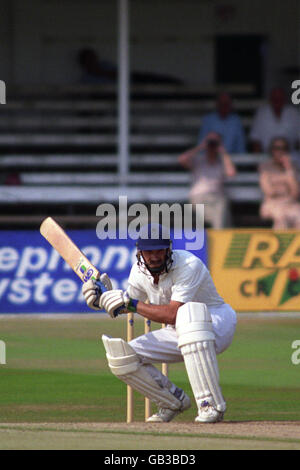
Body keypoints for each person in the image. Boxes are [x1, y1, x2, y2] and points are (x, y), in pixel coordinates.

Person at [82, 223, 237, 423]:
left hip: (216, 322)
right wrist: (103, 300)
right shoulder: (138, 273)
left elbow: (172, 314)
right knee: (123, 356)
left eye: (158, 251)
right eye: (148, 252)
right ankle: (172, 401)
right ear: (140, 252)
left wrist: (131, 304)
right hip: (179, 331)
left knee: (188, 314)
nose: (154, 256)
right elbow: (127, 304)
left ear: (168, 249)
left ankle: (210, 405)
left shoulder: (189, 265)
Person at [178, 132, 236, 228]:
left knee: (222, 211)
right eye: (210, 142)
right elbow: (182, 159)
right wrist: (201, 147)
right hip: (199, 197)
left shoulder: (222, 162)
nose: (212, 145)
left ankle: (220, 236)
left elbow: (231, 173)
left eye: (215, 142)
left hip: (218, 198)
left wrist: (223, 152)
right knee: (219, 215)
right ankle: (220, 237)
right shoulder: (198, 160)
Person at [259, 137, 300, 228]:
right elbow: (270, 192)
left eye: (284, 148)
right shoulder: (265, 167)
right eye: (277, 148)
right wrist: (286, 181)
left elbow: (295, 193)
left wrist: (289, 170)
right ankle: (280, 242)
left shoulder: (292, 167)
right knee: (281, 217)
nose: (280, 151)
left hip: (291, 204)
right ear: (272, 150)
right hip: (272, 204)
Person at [250, 87, 300, 153]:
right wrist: (258, 159)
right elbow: (255, 139)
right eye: (275, 98)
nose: (277, 100)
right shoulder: (262, 113)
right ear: (270, 99)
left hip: (291, 156)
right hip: (266, 156)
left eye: (280, 98)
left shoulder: (294, 112)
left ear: (285, 99)